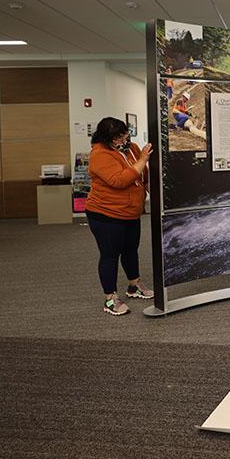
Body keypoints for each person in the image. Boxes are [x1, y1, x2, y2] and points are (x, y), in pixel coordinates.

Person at [85, 117, 155, 315]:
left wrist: (151, 192)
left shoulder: (131, 148)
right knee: (110, 255)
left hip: (131, 212)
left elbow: (144, 175)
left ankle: (134, 286)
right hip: (106, 214)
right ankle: (110, 298)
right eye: (119, 137)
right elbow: (119, 181)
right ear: (108, 138)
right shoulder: (99, 155)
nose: (124, 138)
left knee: (130, 249)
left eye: (125, 134)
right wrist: (142, 160)